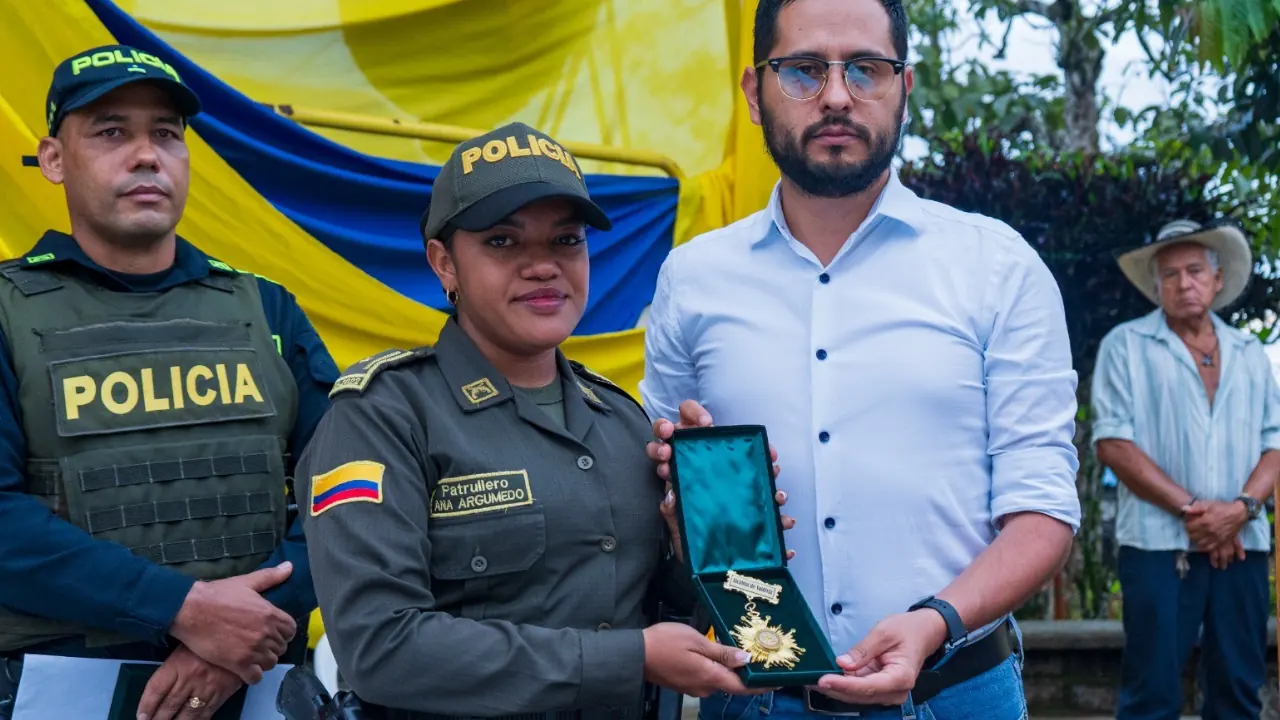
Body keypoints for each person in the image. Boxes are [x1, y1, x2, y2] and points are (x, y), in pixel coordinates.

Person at [639, 0, 1083, 718]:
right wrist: (679, 492)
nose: (838, 96)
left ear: (905, 87)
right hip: (753, 694)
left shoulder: (996, 267)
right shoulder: (692, 279)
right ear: (755, 93)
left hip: (955, 692)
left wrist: (933, 621)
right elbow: (668, 498)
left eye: (867, 69)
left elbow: (1042, 513)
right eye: (805, 70)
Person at [296, 121, 788, 720]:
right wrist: (626, 660)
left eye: (566, 241)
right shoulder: (382, 415)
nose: (543, 267)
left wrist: (703, 544)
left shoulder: (624, 423)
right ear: (443, 263)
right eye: (503, 242)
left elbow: (665, 615)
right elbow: (381, 646)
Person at [0, 44, 338, 720]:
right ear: (54, 159)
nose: (147, 154)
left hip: (258, 680)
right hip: (55, 686)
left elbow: (352, 492)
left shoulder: (267, 309)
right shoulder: (8, 311)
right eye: (111, 131)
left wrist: (242, 631)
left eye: (166, 134)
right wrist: (184, 611)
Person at [1092, 219, 1277, 720]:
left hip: (1244, 544)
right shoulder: (1125, 345)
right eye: (1169, 275)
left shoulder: (1250, 354)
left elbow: (1274, 445)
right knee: (1151, 695)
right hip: (1157, 544)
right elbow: (1112, 443)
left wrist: (1241, 510)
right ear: (1156, 287)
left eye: (1195, 270)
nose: (1183, 283)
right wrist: (1197, 512)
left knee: (1238, 689)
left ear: (1217, 279)